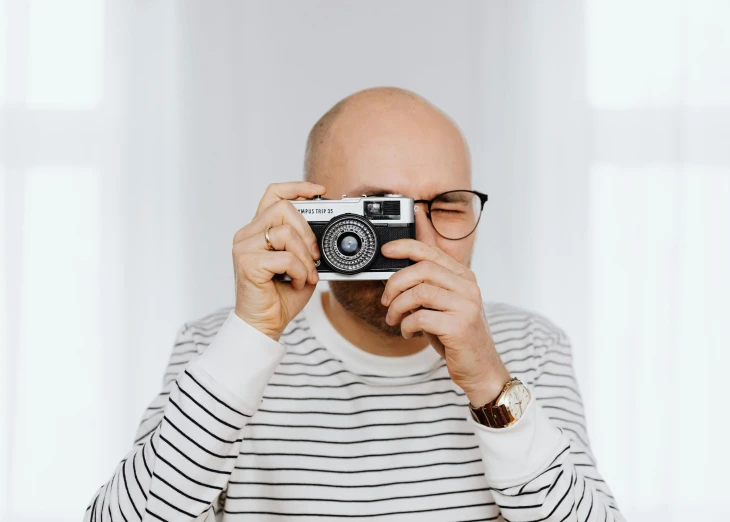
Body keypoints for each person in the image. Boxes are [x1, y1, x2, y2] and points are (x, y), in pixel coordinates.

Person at [85, 87, 623, 521]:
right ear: (309, 216)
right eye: (377, 208)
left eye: (448, 207)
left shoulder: (530, 346)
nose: (416, 242)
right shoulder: (217, 347)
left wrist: (488, 382)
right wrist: (249, 336)